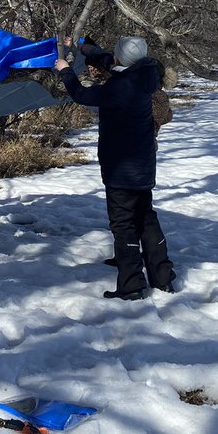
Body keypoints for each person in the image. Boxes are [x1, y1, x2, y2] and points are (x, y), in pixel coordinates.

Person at [55, 36, 176, 299]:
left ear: (121, 58)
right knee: (145, 217)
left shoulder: (121, 87)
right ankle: (163, 277)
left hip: (122, 167)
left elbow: (81, 94)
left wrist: (65, 70)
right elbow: (104, 57)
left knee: (123, 224)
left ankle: (131, 285)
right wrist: (79, 44)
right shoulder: (144, 74)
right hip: (143, 164)